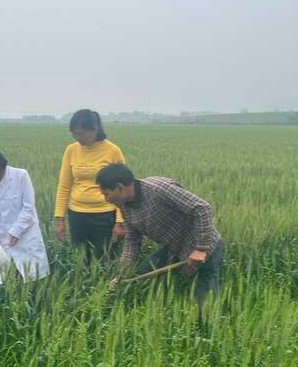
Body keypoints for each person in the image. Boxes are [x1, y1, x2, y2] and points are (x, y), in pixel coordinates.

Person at [97, 164, 224, 305]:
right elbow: (132, 242)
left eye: (106, 194)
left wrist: (201, 248)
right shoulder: (124, 205)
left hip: (205, 248)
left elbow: (202, 208)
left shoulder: (158, 189)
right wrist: (121, 275)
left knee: (204, 302)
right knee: (140, 276)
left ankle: (205, 322)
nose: (106, 199)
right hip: (174, 248)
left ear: (120, 187)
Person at [54, 109, 127, 263]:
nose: (78, 138)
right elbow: (64, 186)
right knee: (81, 260)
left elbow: (123, 188)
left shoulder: (112, 151)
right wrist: (60, 220)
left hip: (105, 215)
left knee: (105, 259)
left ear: (95, 129)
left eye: (82, 134)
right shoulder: (71, 150)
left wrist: (120, 222)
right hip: (77, 215)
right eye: (74, 134)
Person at [0, 145, 49, 283]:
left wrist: (16, 231)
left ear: (0, 162)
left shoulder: (20, 175)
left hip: (26, 236)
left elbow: (28, 207)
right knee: (7, 280)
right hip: (0, 239)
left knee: (34, 277)